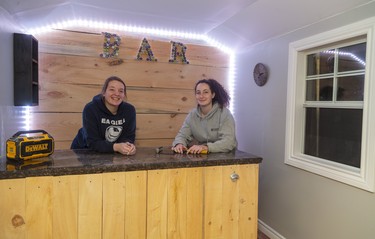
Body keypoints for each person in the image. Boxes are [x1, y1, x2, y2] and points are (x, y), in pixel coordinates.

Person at [71, 76, 136, 155]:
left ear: (124, 95)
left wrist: (129, 146)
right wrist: (117, 147)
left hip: (111, 152)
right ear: (104, 92)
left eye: (121, 91)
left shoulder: (129, 110)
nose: (117, 94)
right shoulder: (91, 108)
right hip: (83, 151)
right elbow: (92, 142)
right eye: (112, 89)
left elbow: (129, 137)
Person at [172, 78, 237, 154]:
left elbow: (229, 142)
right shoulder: (192, 115)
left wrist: (206, 147)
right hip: (202, 156)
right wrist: (179, 144)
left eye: (205, 92)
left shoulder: (225, 114)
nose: (201, 96)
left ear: (212, 95)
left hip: (226, 157)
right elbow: (182, 135)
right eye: (198, 93)